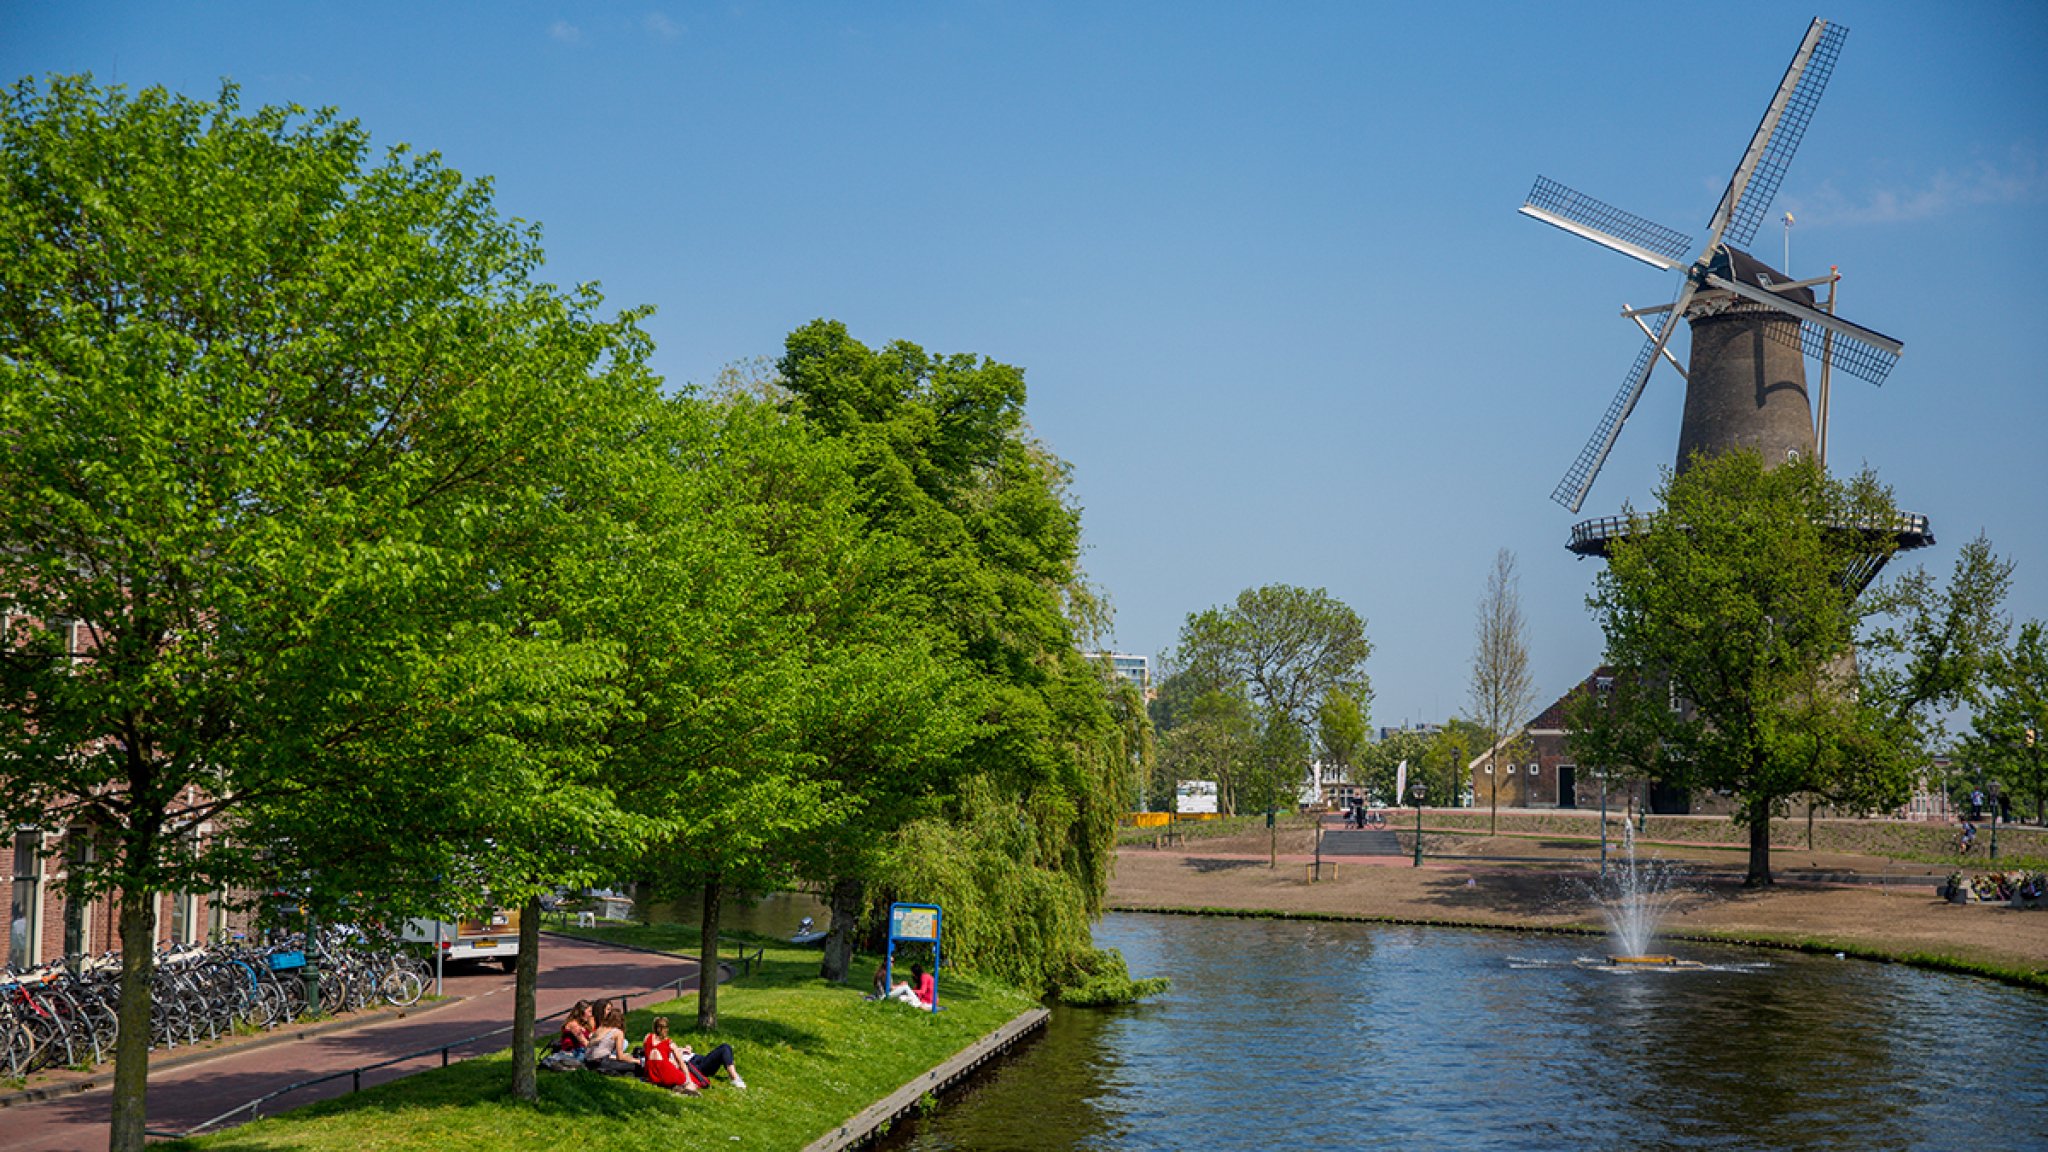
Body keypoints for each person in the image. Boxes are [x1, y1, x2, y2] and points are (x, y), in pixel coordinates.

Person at [641, 1016, 702, 1094]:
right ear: (666, 1029)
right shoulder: (669, 1043)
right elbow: (681, 1063)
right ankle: (687, 1087)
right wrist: (688, 1080)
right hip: (665, 1072)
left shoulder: (647, 1037)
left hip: (650, 1074)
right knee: (684, 1078)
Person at [583, 1002, 641, 1076]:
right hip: (601, 1062)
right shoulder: (617, 1032)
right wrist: (637, 1061)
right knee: (636, 1066)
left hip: (588, 1061)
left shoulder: (600, 1028)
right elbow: (620, 1057)